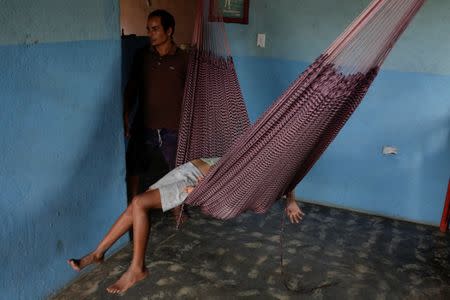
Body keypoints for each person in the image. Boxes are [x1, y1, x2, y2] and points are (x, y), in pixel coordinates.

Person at [67, 157, 305, 294]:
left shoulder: (268, 177)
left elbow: (237, 194)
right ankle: (98, 254)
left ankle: (137, 269)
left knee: (140, 203)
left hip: (197, 182)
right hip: (188, 169)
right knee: (135, 208)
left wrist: (204, 192)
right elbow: (284, 173)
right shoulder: (268, 154)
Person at [124, 9, 188, 220]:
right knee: (134, 167)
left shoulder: (182, 60)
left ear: (169, 31)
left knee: (177, 170)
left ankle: (178, 209)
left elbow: (191, 93)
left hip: (173, 125)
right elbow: (132, 87)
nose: (150, 34)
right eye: (148, 30)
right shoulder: (142, 56)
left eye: (155, 29)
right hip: (145, 124)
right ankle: (132, 208)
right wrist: (126, 113)